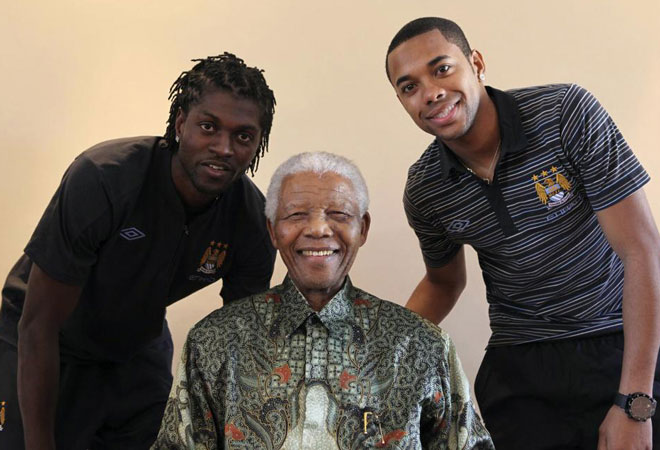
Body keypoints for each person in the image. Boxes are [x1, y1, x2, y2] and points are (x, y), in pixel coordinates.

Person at [386, 17, 660, 450]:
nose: (431, 92)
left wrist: (634, 403)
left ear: (477, 63)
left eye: (442, 69)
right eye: (409, 86)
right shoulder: (426, 189)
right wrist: (382, 350)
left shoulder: (565, 113)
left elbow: (642, 250)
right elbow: (443, 283)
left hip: (618, 340)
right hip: (520, 366)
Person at [0, 53, 277, 449]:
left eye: (243, 136)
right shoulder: (103, 179)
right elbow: (38, 326)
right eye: (208, 127)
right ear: (180, 123)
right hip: (43, 340)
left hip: (134, 344)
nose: (224, 148)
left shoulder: (251, 222)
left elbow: (241, 351)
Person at [151, 152, 494, 449]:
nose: (318, 229)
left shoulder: (422, 345)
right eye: (296, 215)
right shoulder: (213, 341)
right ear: (272, 230)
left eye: (339, 214)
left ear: (363, 228)